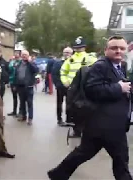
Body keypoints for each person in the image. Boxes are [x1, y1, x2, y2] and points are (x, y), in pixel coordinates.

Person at [48, 36, 132, 180]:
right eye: (114, 48)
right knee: (121, 159)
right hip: (108, 124)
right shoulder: (101, 66)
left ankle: (58, 174)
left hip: (100, 124)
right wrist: (119, 88)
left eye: (121, 48)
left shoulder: (119, 66)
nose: (118, 51)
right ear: (106, 50)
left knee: (84, 152)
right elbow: (93, 89)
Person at [60, 36, 97, 137]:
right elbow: (63, 71)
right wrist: (65, 81)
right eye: (76, 47)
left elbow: (97, 71)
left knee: (86, 108)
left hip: (85, 88)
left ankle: (87, 130)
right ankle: (76, 130)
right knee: (73, 109)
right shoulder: (70, 59)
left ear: (84, 47)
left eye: (80, 47)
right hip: (73, 88)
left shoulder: (90, 58)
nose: (77, 49)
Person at [14, 50, 39, 124]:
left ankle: (30, 118)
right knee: (22, 103)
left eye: (25, 55)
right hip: (20, 86)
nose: (24, 56)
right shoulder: (19, 64)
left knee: (29, 103)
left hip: (29, 86)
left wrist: (30, 62)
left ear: (28, 56)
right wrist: (15, 85)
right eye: (23, 54)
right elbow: (16, 75)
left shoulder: (31, 64)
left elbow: (36, 70)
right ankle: (23, 116)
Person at [52, 47, 73, 125]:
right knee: (59, 104)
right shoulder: (58, 63)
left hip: (71, 87)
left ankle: (69, 119)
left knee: (70, 104)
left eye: (68, 52)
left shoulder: (74, 63)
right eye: (65, 52)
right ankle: (59, 119)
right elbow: (54, 74)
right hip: (60, 87)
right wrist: (57, 84)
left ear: (72, 54)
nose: (66, 54)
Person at [7, 52, 21, 117]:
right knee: (14, 97)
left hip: (20, 82)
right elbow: (9, 71)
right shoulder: (12, 62)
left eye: (17, 55)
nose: (16, 56)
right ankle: (14, 111)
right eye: (15, 55)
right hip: (12, 81)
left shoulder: (21, 62)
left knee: (21, 98)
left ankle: (20, 112)